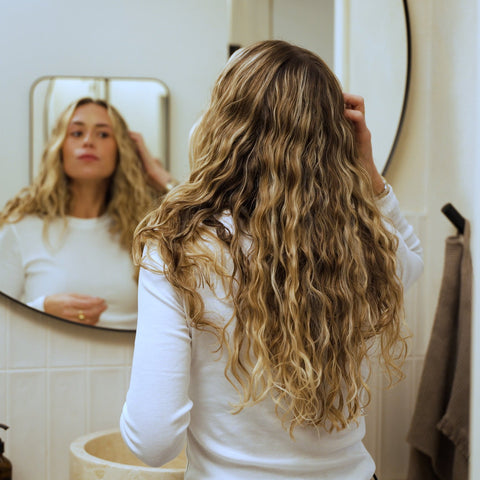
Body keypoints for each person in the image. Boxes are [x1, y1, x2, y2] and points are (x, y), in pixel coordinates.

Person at [120, 40, 423, 478]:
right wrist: (370, 174)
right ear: (332, 138)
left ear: (224, 124)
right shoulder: (358, 243)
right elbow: (412, 260)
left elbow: (153, 443)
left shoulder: (180, 245)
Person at [0, 97, 177, 329]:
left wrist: (161, 178)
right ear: (60, 147)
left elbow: (207, 244)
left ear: (121, 149)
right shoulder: (21, 228)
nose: (88, 141)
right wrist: (42, 310)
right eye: (76, 133)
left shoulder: (147, 230)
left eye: (103, 134)